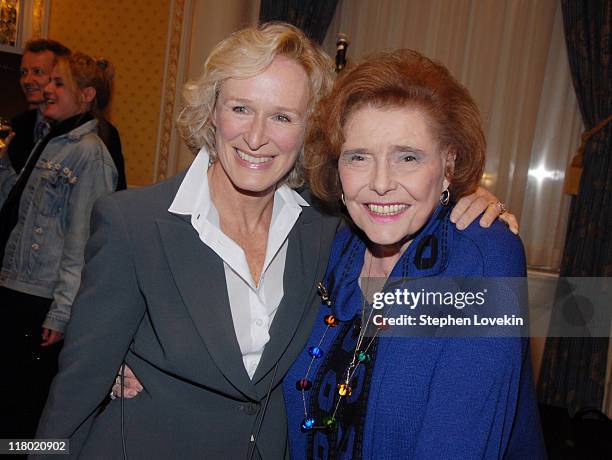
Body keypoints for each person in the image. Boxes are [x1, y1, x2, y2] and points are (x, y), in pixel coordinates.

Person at [35, 24, 514, 459]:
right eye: (241, 108)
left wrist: (464, 198)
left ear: (311, 132)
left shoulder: (329, 230)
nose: (257, 137)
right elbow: (70, 398)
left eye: (283, 117)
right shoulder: (133, 224)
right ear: (212, 113)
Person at [283, 49, 545, 459]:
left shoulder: (483, 256)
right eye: (359, 157)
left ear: (448, 162)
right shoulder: (330, 245)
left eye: (408, 157)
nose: (381, 183)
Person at [0, 52, 118, 439]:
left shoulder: (90, 154)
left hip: (40, 300)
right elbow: (16, 211)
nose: (46, 89)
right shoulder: (49, 141)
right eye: (47, 81)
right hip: (15, 288)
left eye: (58, 83)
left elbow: (83, 243)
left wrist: (61, 313)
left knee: (27, 411)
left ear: (86, 95)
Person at [8, 39, 127, 190]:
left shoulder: (97, 140)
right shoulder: (20, 124)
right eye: (23, 72)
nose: (27, 80)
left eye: (38, 72)